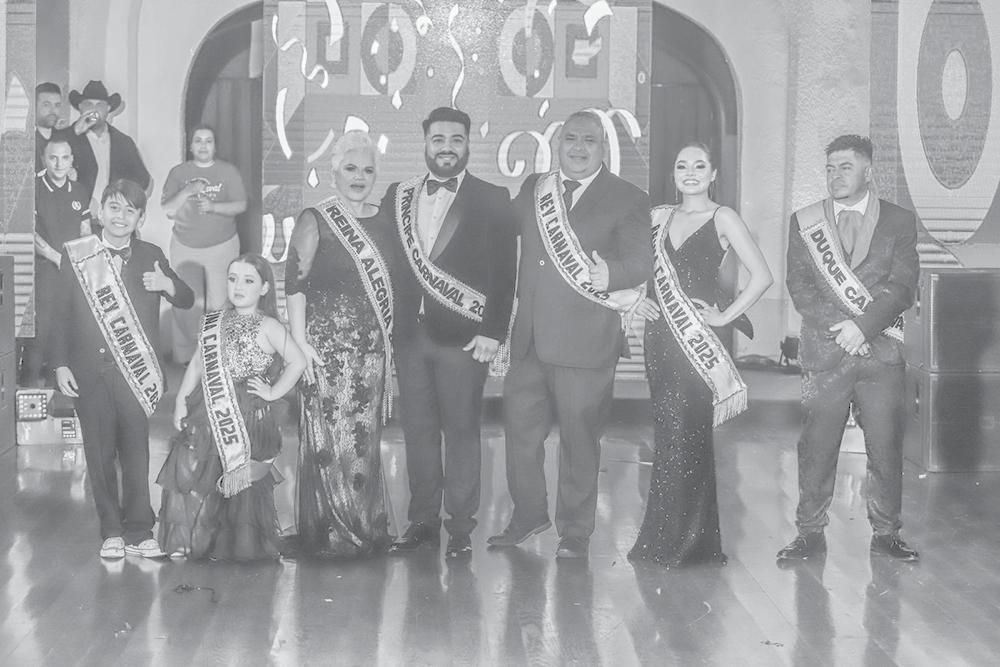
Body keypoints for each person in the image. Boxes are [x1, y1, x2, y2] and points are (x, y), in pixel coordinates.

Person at [489, 109, 651, 560]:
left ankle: (575, 531)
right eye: (571, 139)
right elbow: (501, 234)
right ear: (558, 144)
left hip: (586, 341)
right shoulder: (534, 188)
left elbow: (641, 262)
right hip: (529, 341)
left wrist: (611, 274)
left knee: (580, 441)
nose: (578, 148)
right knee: (520, 436)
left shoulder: (628, 197)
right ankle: (528, 515)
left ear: (604, 147)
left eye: (589, 140)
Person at [627, 142, 772, 567]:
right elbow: (637, 270)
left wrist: (725, 315)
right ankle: (661, 539)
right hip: (660, 339)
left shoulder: (723, 217)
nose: (690, 172)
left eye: (699, 165)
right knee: (666, 436)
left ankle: (692, 544)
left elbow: (762, 276)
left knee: (690, 436)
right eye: (682, 165)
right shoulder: (657, 217)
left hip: (695, 342)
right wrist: (636, 299)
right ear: (674, 174)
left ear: (713, 174)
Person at [383, 107, 517, 560]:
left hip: (465, 338)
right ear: (425, 143)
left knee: (461, 432)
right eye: (438, 139)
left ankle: (460, 527)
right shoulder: (397, 196)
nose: (446, 147)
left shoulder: (493, 197)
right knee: (417, 433)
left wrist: (494, 332)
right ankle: (422, 521)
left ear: (468, 144)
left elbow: (505, 273)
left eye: (456, 139)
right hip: (410, 337)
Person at [778, 135, 920, 563]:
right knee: (816, 448)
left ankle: (887, 533)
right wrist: (842, 330)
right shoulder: (805, 222)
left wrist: (862, 327)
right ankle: (809, 533)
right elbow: (799, 285)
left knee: (885, 448)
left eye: (845, 167)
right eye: (830, 168)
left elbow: (902, 285)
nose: (835, 176)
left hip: (881, 354)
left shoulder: (898, 220)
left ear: (868, 172)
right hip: (825, 352)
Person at [51, 179, 194, 559]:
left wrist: (167, 283)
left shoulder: (151, 255)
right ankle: (111, 531)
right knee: (99, 455)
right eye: (114, 207)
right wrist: (60, 364)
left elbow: (186, 298)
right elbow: (59, 313)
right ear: (101, 211)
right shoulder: (77, 254)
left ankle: (140, 530)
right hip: (88, 371)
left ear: (140, 218)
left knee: (136, 452)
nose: (120, 216)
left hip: (135, 375)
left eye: (130, 211)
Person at [285, 130, 398, 558]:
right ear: (333, 172)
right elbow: (294, 282)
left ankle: (363, 525)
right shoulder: (315, 219)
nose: (359, 177)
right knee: (327, 444)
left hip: (370, 355)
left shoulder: (385, 222)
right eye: (350, 168)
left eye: (367, 170)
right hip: (325, 351)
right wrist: (299, 342)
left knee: (363, 443)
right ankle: (329, 530)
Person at [159, 253, 306, 561]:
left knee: (239, 483)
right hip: (208, 407)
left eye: (248, 280)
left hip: (249, 415)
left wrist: (273, 392)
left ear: (264, 288)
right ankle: (199, 540)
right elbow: (197, 364)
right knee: (199, 470)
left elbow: (298, 362)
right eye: (233, 279)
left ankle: (236, 545)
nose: (238, 287)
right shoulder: (214, 321)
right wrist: (181, 401)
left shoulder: (269, 326)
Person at [161, 124, 248, 364]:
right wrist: (187, 191)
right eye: (198, 140)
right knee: (186, 303)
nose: (203, 145)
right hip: (185, 246)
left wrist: (213, 207)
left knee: (220, 303)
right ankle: (186, 359)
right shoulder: (179, 173)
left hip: (222, 246)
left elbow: (241, 205)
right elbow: (168, 210)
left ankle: (217, 359)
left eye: (208, 141)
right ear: (190, 146)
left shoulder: (228, 171)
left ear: (215, 146)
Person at [19, 139, 92, 387]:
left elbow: (85, 231)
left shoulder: (79, 190)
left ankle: (60, 395)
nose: (59, 164)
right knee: (41, 335)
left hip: (73, 272)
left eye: (64, 158)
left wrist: (84, 262)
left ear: (72, 160)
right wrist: (57, 258)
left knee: (69, 334)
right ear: (44, 159)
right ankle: (28, 391)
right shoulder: (33, 188)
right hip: (44, 271)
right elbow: (29, 232)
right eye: (53, 158)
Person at [67, 80, 152, 215]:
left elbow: (143, 181)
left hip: (113, 218)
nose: (94, 110)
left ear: (108, 108)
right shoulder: (68, 138)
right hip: (75, 217)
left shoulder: (123, 142)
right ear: (80, 107)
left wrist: (122, 204)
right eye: (88, 104)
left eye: (100, 105)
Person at [34, 82, 73, 174]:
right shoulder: (26, 141)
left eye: (57, 105)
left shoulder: (65, 139)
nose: (52, 111)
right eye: (46, 105)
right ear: (34, 107)